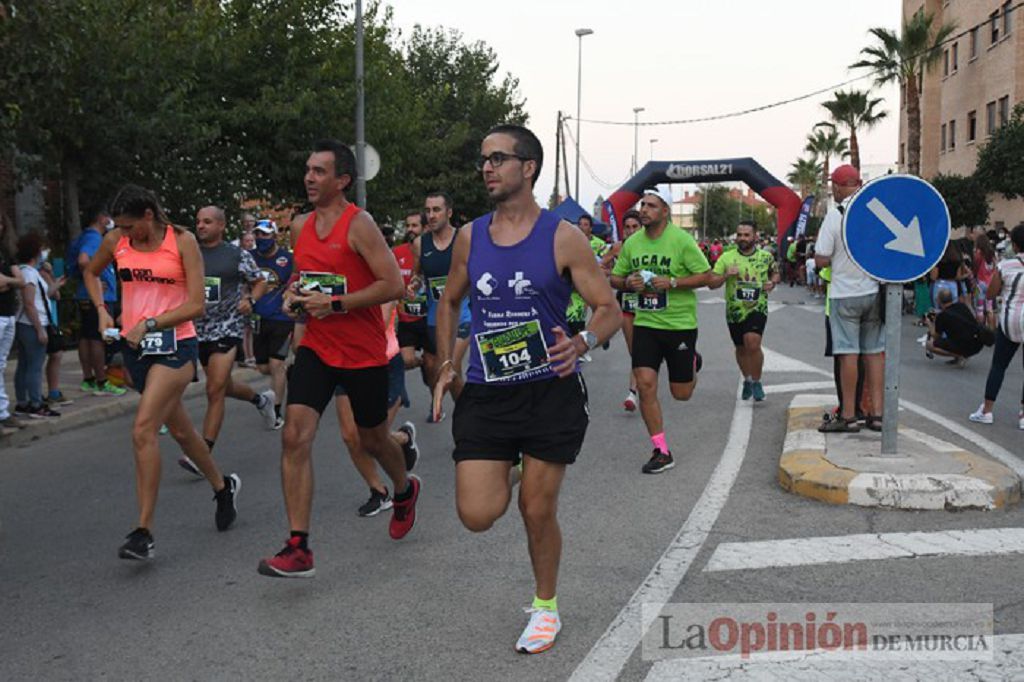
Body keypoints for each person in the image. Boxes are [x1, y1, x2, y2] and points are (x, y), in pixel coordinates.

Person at [432, 124, 620, 654]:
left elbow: (609, 311)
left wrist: (581, 343)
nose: (487, 168)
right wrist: (448, 361)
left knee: (537, 510)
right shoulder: (470, 236)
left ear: (528, 168)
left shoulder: (563, 237)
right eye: (483, 159)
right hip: (489, 392)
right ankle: (516, 467)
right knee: (476, 515)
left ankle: (545, 608)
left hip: (549, 390)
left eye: (498, 158)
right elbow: (449, 301)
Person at [257, 139, 419, 578]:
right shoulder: (299, 225)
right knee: (294, 436)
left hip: (362, 352)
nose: (309, 177)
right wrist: (293, 297)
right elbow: (301, 279)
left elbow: (393, 286)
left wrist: (339, 304)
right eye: (308, 170)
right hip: (317, 348)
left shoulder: (359, 224)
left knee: (371, 440)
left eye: (319, 171)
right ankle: (299, 547)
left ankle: (403, 489)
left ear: (343, 180)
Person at [84, 184, 240, 561]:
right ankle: (222, 487)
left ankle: (144, 531)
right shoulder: (115, 241)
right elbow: (91, 273)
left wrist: (150, 323)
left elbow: (197, 305)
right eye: (118, 227)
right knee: (184, 432)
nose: (124, 234)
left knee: (143, 428)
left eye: (129, 226)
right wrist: (103, 310)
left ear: (149, 216)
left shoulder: (181, 241)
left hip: (176, 344)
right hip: (135, 347)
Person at [611, 187, 711, 474]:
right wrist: (629, 283)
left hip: (679, 324)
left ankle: (692, 362)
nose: (644, 210)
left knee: (682, 394)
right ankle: (661, 450)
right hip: (646, 323)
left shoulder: (681, 241)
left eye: (651, 206)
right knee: (644, 384)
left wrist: (674, 282)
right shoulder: (633, 244)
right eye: (643, 205)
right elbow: (616, 278)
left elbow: (705, 275)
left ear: (665, 211)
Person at [176, 206, 274, 476]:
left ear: (221, 225)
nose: (201, 226)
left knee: (215, 389)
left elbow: (260, 281)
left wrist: (250, 300)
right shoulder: (188, 253)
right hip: (197, 329)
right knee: (225, 386)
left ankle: (201, 452)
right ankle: (261, 400)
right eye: (198, 221)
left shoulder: (236, 255)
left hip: (227, 326)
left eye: (207, 221)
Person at [814, 164, 883, 433]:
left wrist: (832, 262)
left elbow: (821, 257)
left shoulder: (836, 214)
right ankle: (877, 415)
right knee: (875, 353)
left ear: (840, 186)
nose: (833, 189)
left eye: (834, 185)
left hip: (844, 294)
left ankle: (849, 416)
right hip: (873, 291)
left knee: (848, 354)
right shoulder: (875, 213)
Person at [407, 191, 472, 421]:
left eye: (437, 210)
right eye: (428, 210)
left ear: (449, 212)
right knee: (440, 372)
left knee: (450, 366)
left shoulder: (463, 239)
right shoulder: (419, 244)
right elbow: (418, 275)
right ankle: (466, 409)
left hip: (463, 314)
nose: (431, 215)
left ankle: (468, 421)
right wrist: (414, 285)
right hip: (436, 317)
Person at [706, 220, 779, 401]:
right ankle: (747, 379)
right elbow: (711, 284)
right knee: (740, 347)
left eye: (746, 235)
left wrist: (773, 282)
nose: (742, 238)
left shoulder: (766, 256)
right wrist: (725, 275)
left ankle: (757, 381)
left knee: (752, 342)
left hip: (757, 306)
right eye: (739, 235)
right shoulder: (726, 258)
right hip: (734, 310)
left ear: (755, 236)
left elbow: (775, 272)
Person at [67, 205, 127, 396]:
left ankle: (89, 379)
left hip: (86, 295)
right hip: (97, 297)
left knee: (86, 337)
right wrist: (97, 278)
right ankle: (103, 380)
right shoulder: (94, 238)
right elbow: (84, 260)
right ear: (102, 218)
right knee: (98, 338)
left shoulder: (85, 236)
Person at [969, 224, 1024, 428]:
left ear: (1016, 245)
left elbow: (991, 293)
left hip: (1009, 320)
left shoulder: (1006, 266)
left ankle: (987, 410)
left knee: (999, 366)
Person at [250, 219, 293, 428]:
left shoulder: (287, 258)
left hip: (282, 318)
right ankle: (289, 372)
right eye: (257, 234)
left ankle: (275, 411)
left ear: (274, 236)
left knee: (276, 364)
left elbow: (298, 280)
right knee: (263, 367)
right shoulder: (250, 257)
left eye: (265, 234)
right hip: (259, 318)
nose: (261, 238)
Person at [13, 233, 61, 418]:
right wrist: (40, 329)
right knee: (34, 365)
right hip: (32, 325)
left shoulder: (27, 272)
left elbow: (42, 296)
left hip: (27, 324)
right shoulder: (29, 273)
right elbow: (29, 303)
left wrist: (55, 285)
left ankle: (23, 402)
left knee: (25, 364)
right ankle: (35, 403)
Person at [602, 209, 642, 411]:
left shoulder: (650, 246)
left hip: (651, 304)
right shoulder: (618, 248)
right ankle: (633, 393)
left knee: (652, 349)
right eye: (627, 227)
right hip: (627, 303)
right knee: (636, 352)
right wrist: (611, 273)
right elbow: (600, 267)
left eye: (635, 227)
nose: (631, 230)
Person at [394, 210, 429, 374]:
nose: (410, 229)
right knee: (406, 360)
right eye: (408, 225)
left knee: (432, 369)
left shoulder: (432, 251)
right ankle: (421, 362)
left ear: (425, 228)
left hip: (428, 318)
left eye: (415, 225)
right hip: (406, 318)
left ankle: (435, 397)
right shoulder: (397, 252)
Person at [0, 214, 25, 429]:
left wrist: (6, 281)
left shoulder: (6, 252)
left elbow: (21, 280)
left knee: (1, 364)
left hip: (8, 313)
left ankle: (3, 412)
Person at [925, 288, 985, 367]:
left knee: (929, 345)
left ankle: (960, 356)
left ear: (938, 300)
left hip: (964, 345)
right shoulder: (962, 306)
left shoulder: (943, 315)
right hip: (977, 343)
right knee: (956, 336)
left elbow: (936, 336)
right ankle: (959, 355)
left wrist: (929, 324)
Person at [974, 233, 997, 328]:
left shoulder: (978, 253)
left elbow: (975, 268)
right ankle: (992, 331)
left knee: (979, 309)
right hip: (990, 284)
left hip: (979, 284)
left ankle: (981, 332)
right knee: (990, 309)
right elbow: (996, 267)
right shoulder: (992, 254)